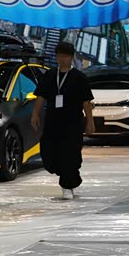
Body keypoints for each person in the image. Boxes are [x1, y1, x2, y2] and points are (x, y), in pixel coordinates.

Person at [31, 42, 95, 200]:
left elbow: (86, 102)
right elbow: (41, 96)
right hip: (53, 121)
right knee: (49, 152)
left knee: (70, 154)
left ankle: (67, 185)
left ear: (71, 57)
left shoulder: (79, 78)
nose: (61, 59)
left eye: (65, 56)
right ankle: (68, 177)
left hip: (72, 122)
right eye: (59, 56)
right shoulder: (50, 75)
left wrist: (90, 121)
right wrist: (35, 114)